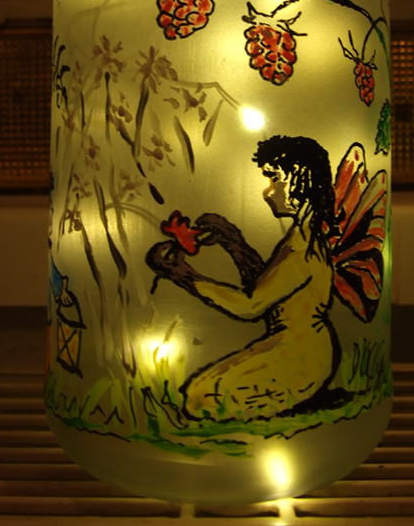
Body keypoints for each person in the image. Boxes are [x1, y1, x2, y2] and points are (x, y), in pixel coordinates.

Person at [146, 135, 341, 422]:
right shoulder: (303, 238)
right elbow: (269, 285)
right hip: (295, 347)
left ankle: (299, 397)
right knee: (199, 391)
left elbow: (250, 305)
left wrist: (183, 274)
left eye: (275, 178)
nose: (268, 191)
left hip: (301, 356)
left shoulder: (302, 249)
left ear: (300, 179)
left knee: (201, 399)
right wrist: (233, 242)